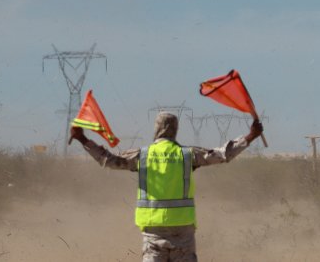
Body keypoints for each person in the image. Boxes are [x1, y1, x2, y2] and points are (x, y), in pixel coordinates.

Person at [70, 111, 264, 262]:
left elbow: (109, 160)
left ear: (156, 129)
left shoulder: (142, 155)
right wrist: (250, 136)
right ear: (175, 129)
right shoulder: (188, 155)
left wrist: (82, 139)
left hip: (153, 233)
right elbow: (223, 154)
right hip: (183, 233)